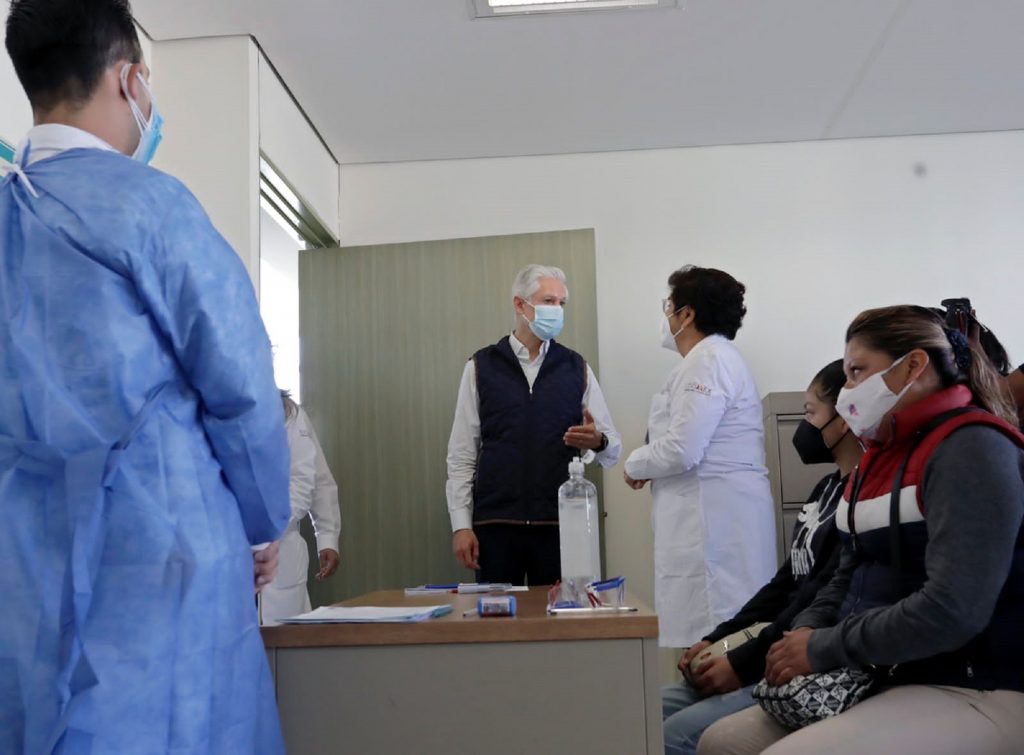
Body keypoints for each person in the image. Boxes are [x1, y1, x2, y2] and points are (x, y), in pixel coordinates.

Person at [0, 1, 290, 752]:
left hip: (21, 567)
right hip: (159, 553)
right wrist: (262, 521)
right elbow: (241, 386)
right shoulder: (153, 208)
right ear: (129, 78)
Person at [698, 305, 1024, 755]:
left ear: (913, 365)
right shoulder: (879, 457)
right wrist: (803, 634)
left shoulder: (972, 447)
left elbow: (953, 609)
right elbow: (846, 571)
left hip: (976, 682)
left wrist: (823, 646)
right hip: (886, 671)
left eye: (857, 372)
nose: (848, 390)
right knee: (721, 742)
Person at [661, 359, 862, 755]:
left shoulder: (860, 499)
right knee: (648, 708)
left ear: (843, 421)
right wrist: (716, 639)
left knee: (676, 735)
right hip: (768, 648)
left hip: (800, 660)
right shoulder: (825, 489)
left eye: (811, 414)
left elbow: (813, 600)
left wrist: (740, 664)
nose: (804, 427)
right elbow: (785, 584)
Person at [624, 265, 776, 648]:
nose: (667, 316)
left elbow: (683, 448)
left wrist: (634, 464)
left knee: (717, 647)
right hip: (716, 520)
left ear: (687, 314)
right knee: (722, 643)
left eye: (669, 307)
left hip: (713, 529)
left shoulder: (707, 360)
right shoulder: (712, 359)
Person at [446, 264, 621, 585]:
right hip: (495, 525)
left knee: (560, 614)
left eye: (561, 303)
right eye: (548, 301)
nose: (557, 310)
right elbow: (461, 453)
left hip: (560, 525)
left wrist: (598, 441)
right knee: (497, 615)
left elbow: (612, 447)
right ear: (520, 304)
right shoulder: (481, 366)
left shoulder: (575, 367)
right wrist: (461, 525)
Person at [261, 391, 342, 624]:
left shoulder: (289, 413)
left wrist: (327, 536)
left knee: (283, 641)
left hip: (280, 550)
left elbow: (314, 478)